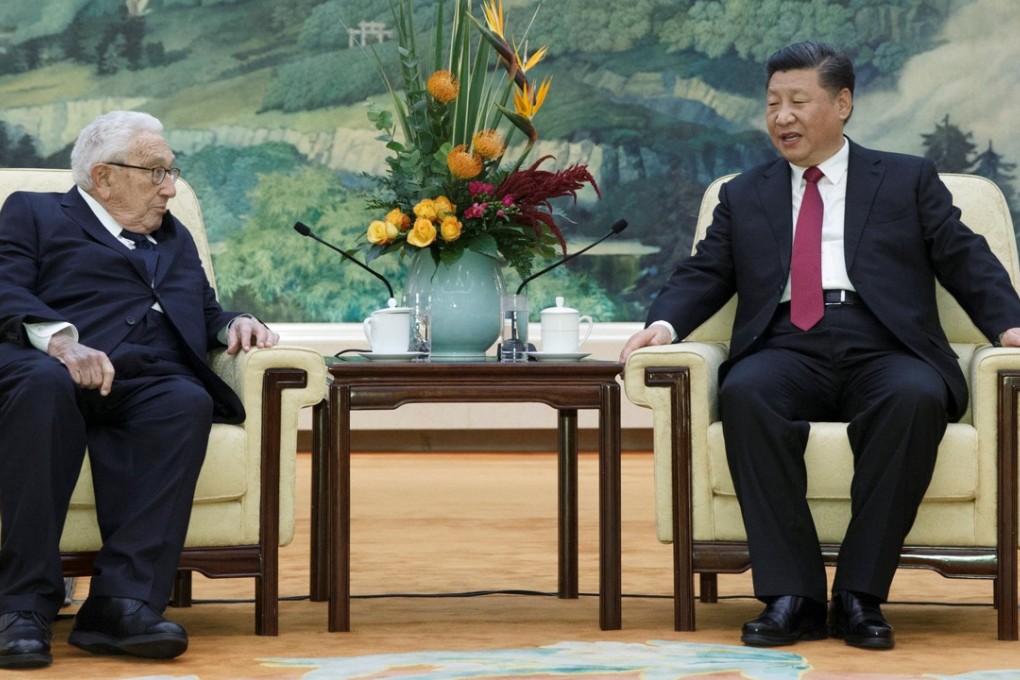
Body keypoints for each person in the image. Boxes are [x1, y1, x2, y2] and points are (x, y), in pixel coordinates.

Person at [620, 41, 1020, 650]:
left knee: (914, 398)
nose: (782, 116)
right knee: (746, 392)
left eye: (798, 101)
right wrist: (664, 325)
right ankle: (793, 595)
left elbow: (964, 257)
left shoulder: (906, 179)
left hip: (884, 342)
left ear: (842, 104)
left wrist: (1009, 325)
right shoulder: (744, 193)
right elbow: (706, 273)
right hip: (785, 343)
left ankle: (860, 593)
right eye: (773, 102)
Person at [0, 110, 279, 669]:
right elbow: (3, 286)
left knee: (185, 400)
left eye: (172, 172)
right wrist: (61, 342)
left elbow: (202, 312)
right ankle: (22, 606)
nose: (170, 188)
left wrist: (233, 324)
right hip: (51, 368)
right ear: (102, 177)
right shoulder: (33, 212)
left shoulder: (173, 238)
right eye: (156, 172)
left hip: (145, 379)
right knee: (43, 387)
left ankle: (120, 604)